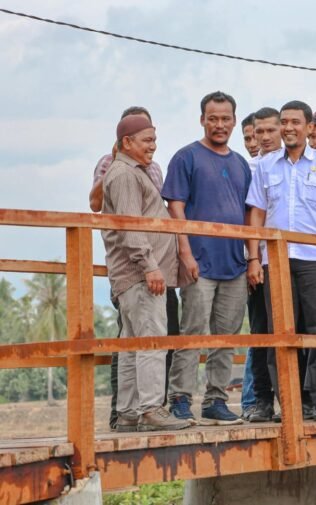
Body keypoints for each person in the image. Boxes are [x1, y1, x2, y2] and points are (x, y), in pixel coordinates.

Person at [246, 100, 316, 422]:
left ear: (309, 128)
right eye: (284, 122)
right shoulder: (266, 165)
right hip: (274, 261)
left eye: (295, 122)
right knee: (281, 331)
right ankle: (289, 402)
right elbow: (257, 214)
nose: (289, 128)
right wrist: (253, 258)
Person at [163, 91, 251, 425]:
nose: (219, 124)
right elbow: (175, 208)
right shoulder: (186, 157)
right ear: (202, 119)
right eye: (212, 118)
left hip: (234, 263)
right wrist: (185, 252)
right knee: (193, 332)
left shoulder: (240, 163)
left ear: (233, 120)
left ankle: (216, 398)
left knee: (226, 336)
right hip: (199, 261)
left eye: (225, 118)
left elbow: (249, 211)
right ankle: (181, 398)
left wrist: (251, 258)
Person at [89, 106, 179, 431]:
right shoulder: (125, 173)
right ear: (127, 142)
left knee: (131, 344)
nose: (153, 145)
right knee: (152, 340)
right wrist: (151, 267)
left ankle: (127, 413)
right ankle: (152, 409)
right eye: (147, 140)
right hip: (141, 275)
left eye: (154, 139)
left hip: (130, 276)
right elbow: (131, 226)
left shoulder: (131, 170)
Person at [241, 107, 283, 423]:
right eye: (260, 132)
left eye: (271, 130)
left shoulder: (296, 164)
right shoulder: (248, 168)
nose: (265, 137)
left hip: (297, 262)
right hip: (259, 263)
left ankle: (297, 401)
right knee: (261, 333)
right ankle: (262, 401)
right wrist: (252, 258)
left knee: (298, 332)